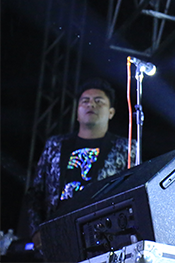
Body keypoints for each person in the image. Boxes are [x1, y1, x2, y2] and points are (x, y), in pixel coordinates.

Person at [25, 78, 134, 252]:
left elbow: (131, 191)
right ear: (77, 112)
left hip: (103, 237)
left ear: (111, 112)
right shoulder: (55, 145)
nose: (91, 104)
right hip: (57, 234)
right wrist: (36, 231)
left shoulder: (126, 148)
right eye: (85, 101)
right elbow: (35, 192)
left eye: (98, 101)